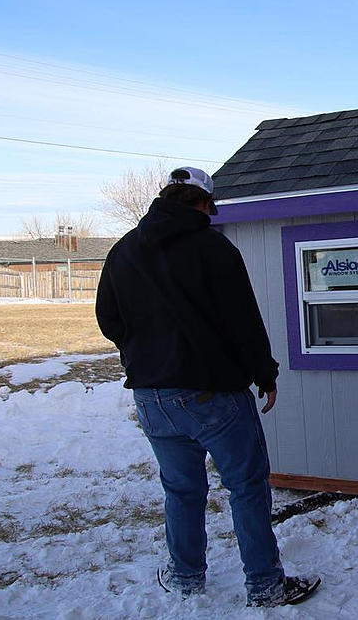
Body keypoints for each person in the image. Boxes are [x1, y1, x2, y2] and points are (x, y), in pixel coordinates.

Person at [95, 167, 320, 606]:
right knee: (247, 488)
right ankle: (266, 585)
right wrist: (265, 374)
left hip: (152, 397)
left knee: (181, 489)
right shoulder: (213, 247)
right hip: (213, 394)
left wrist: (144, 353)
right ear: (205, 203)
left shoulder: (123, 250)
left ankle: (184, 577)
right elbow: (243, 321)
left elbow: (109, 320)